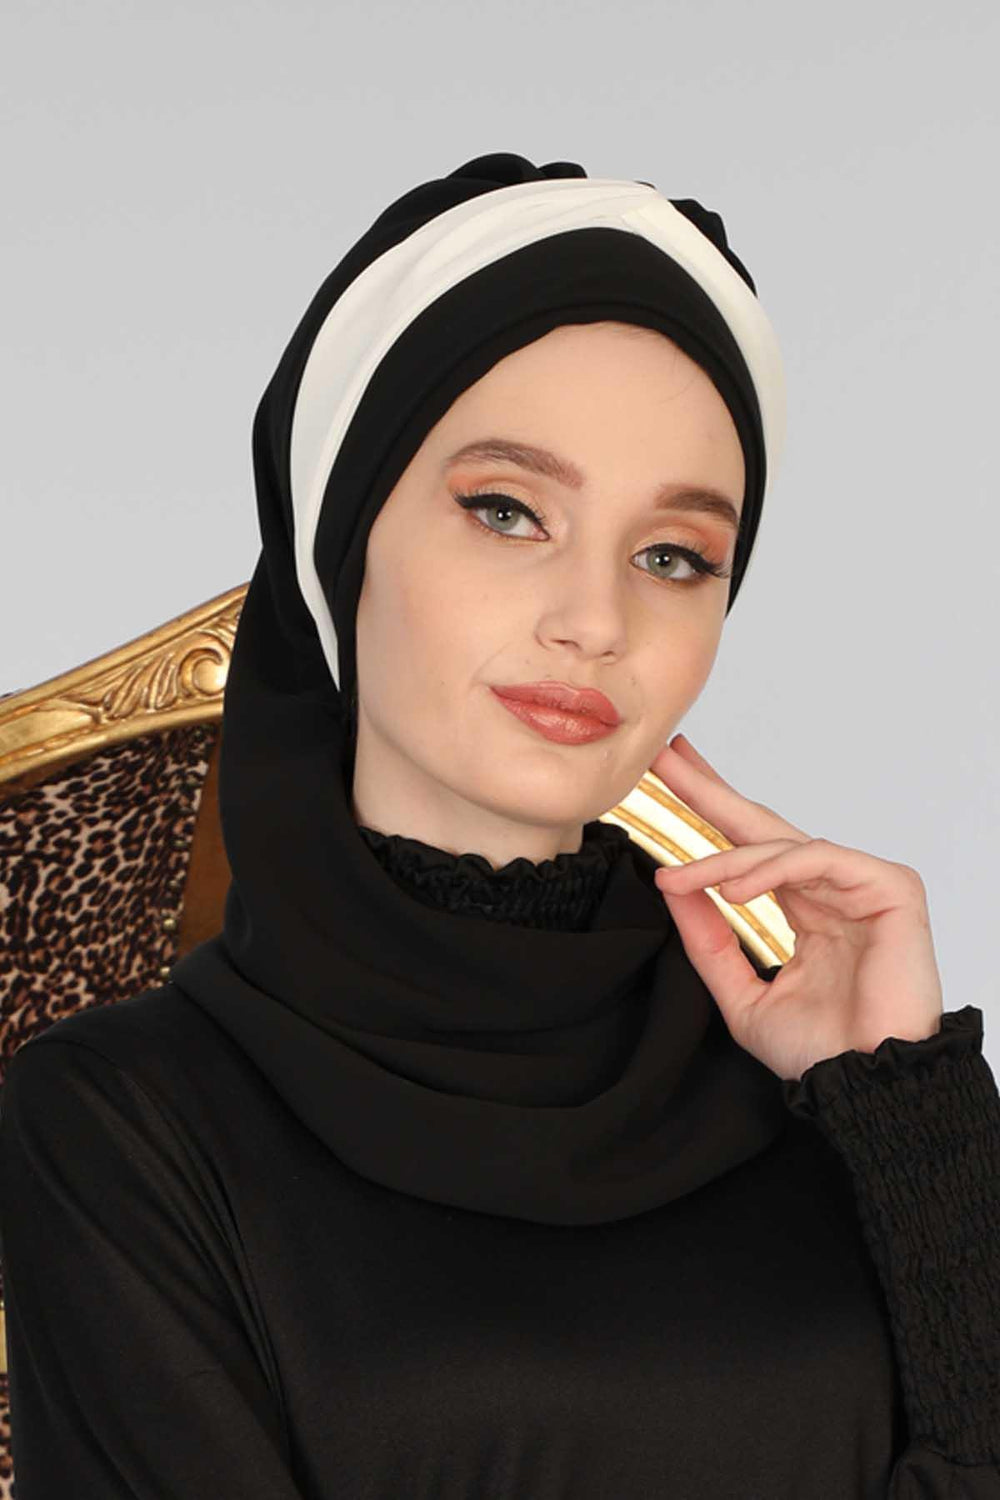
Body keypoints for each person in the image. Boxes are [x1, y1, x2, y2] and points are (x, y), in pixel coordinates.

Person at [0, 151, 998, 1498]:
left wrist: (905, 1106)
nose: (595, 619)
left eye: (673, 556)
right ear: (344, 535)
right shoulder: (126, 1121)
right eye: (508, 512)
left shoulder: (827, 1088)